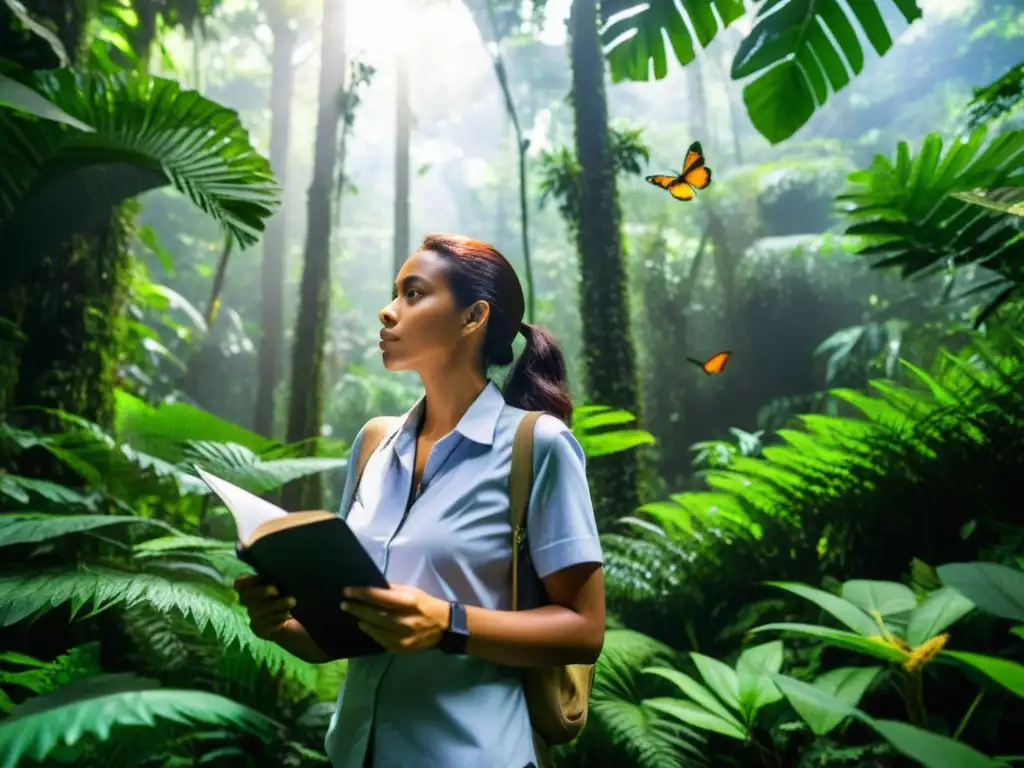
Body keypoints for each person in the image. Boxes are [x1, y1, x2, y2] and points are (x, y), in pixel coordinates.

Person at [235, 233, 605, 768]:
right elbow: (341, 637)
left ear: (472, 316)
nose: (387, 313)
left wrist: (449, 624)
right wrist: (281, 623)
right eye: (394, 294)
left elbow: (584, 629)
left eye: (413, 294)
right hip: (354, 754)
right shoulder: (373, 446)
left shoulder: (537, 446)